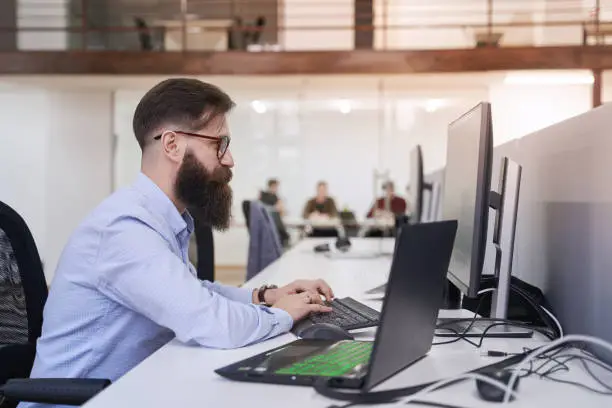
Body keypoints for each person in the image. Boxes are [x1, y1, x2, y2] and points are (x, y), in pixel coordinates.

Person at [21, 79, 333, 408]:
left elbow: (194, 292)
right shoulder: (124, 229)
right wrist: (282, 316)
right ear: (172, 145)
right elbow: (210, 321)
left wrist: (267, 296)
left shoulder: (159, 218)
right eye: (219, 144)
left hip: (130, 391)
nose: (229, 161)